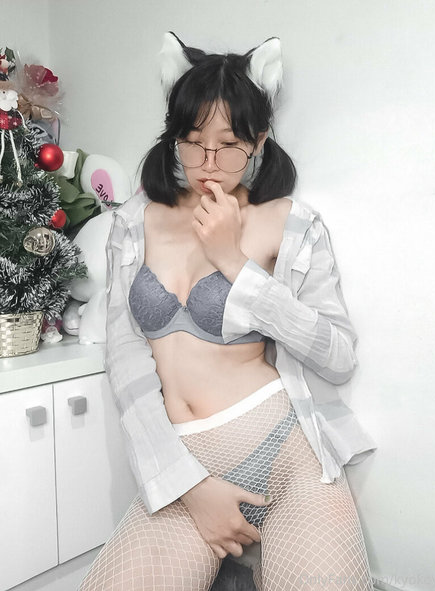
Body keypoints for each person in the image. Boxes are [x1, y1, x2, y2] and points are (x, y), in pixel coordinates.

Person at [79, 32, 377, 591]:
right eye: (193, 143)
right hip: (183, 470)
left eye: (230, 144)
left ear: (259, 140)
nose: (209, 164)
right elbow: (125, 360)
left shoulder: (291, 223)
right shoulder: (134, 224)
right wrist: (188, 485)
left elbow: (337, 356)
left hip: (287, 458)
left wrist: (235, 264)